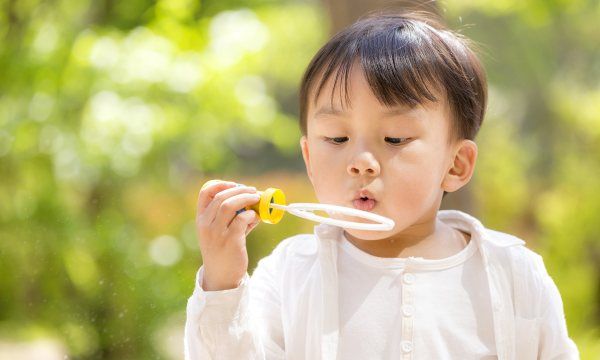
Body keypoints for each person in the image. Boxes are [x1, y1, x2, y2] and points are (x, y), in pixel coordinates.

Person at [185, 10, 579, 360]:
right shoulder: (291, 274)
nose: (360, 163)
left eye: (394, 139)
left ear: (456, 164)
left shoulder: (512, 274)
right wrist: (223, 282)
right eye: (337, 139)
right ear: (308, 158)